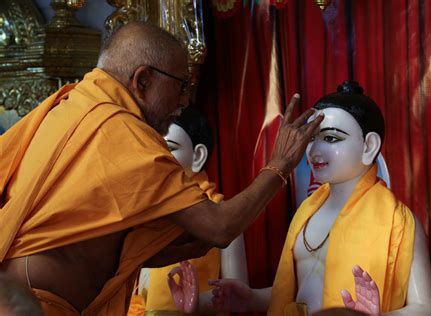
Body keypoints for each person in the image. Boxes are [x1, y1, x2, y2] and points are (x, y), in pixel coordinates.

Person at [0, 21, 323, 316]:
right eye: (181, 86)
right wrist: (280, 165)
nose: (184, 101)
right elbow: (221, 227)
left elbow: (110, 245)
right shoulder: (124, 133)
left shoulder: (67, 106)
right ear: (143, 80)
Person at [209, 81, 431, 315]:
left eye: (330, 138)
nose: (314, 150)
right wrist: (252, 298)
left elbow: (426, 309)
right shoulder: (306, 212)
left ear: (369, 146)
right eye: (311, 138)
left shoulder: (398, 223)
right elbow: (299, 293)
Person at [128, 107, 248, 314]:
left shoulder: (221, 215)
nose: (157, 158)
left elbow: (237, 295)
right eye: (151, 148)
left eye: (169, 148)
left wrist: (194, 302)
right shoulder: (144, 213)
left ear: (198, 156)